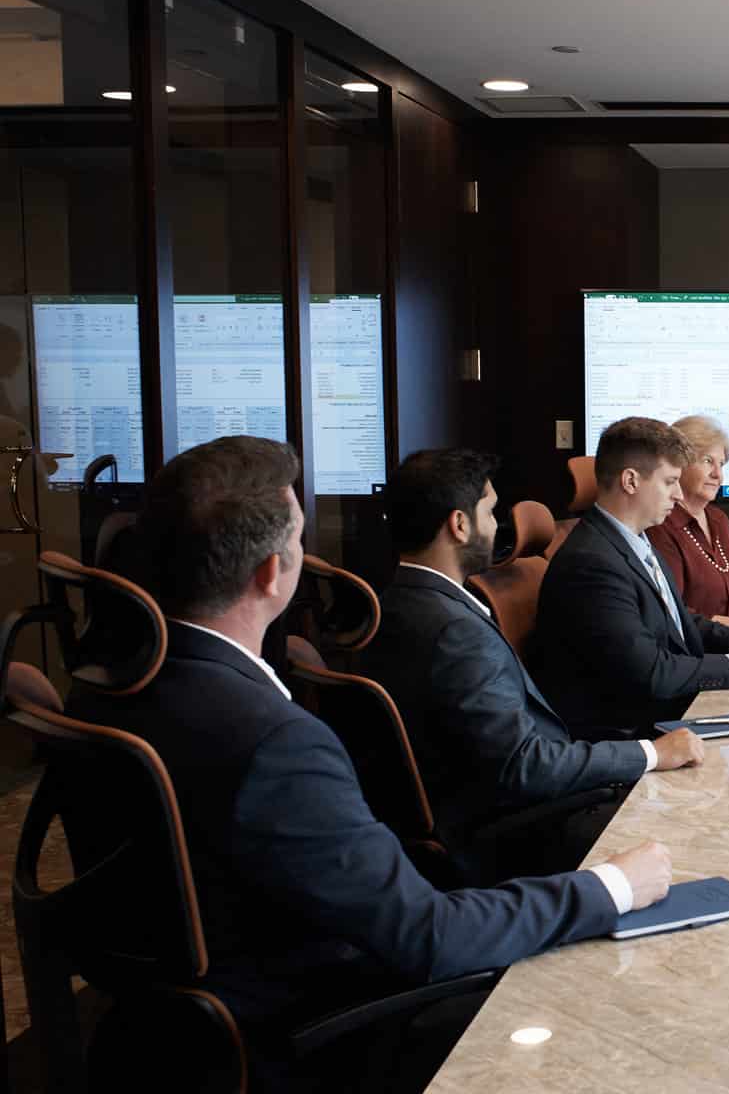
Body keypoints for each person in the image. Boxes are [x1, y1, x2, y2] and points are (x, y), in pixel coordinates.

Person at [63, 436, 674, 1031]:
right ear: (273, 573)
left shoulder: (103, 686)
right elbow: (428, 935)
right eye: (299, 538)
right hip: (311, 1015)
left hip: (171, 1014)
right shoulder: (274, 741)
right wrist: (611, 887)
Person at [365, 448, 706, 880]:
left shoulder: (395, 602)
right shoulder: (455, 632)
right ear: (460, 525)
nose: (497, 525)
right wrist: (651, 753)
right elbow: (526, 767)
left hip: (477, 811)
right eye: (490, 512)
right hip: (510, 832)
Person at [530, 416, 729, 739]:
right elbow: (651, 673)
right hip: (632, 735)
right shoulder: (592, 564)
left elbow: (681, 624)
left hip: (666, 712)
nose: (678, 494)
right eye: (670, 482)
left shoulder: (634, 541)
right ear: (630, 481)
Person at [648, 414, 729, 632]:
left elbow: (727, 591)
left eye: (722, 464)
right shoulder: (660, 525)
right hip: (698, 648)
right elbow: (673, 614)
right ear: (679, 464)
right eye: (708, 461)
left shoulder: (718, 519)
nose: (718, 474)